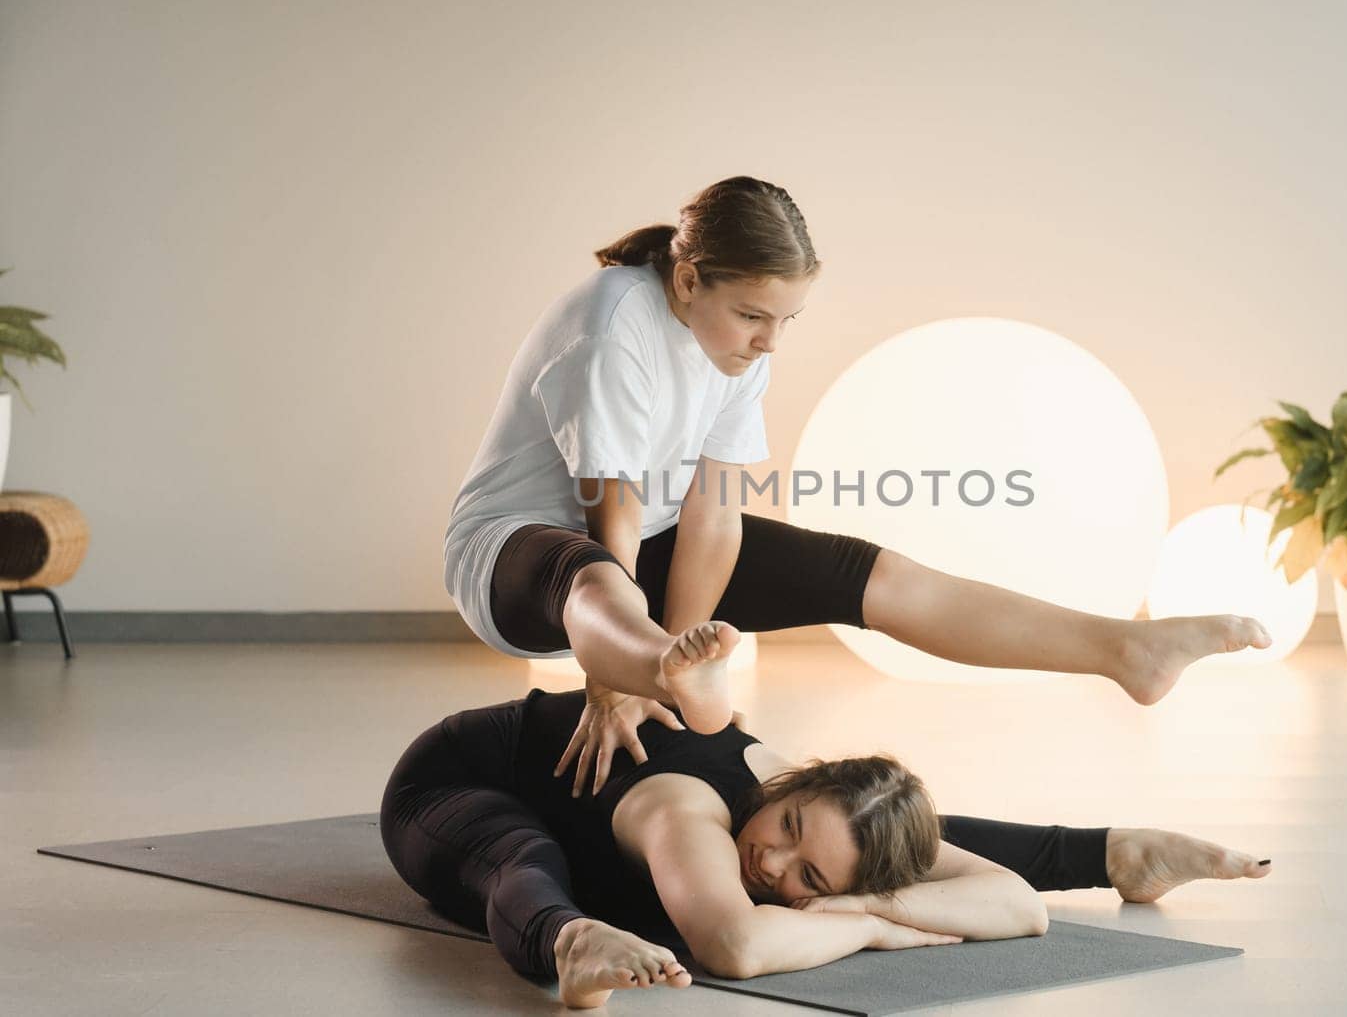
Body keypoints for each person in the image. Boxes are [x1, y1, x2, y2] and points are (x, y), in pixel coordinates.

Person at [444, 175, 1273, 786]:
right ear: (690, 279)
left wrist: (678, 662)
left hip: (640, 564)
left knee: (863, 571)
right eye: (754, 315)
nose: (770, 341)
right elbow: (611, 518)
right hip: (517, 558)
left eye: (786, 319)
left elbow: (716, 518)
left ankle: (1124, 647)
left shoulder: (736, 346)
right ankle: (650, 662)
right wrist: (625, 678)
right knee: (587, 569)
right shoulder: (614, 323)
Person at [381, 687, 1274, 1008]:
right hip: (453, 785)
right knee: (525, 856)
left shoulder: (825, 827)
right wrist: (877, 928)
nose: (771, 867)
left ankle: (1115, 853)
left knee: (909, 833)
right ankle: (570, 941)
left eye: (809, 878)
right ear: (789, 782)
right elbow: (735, 946)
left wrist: (864, 899)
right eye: (788, 832)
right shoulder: (690, 813)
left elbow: (1018, 907)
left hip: (838, 853)